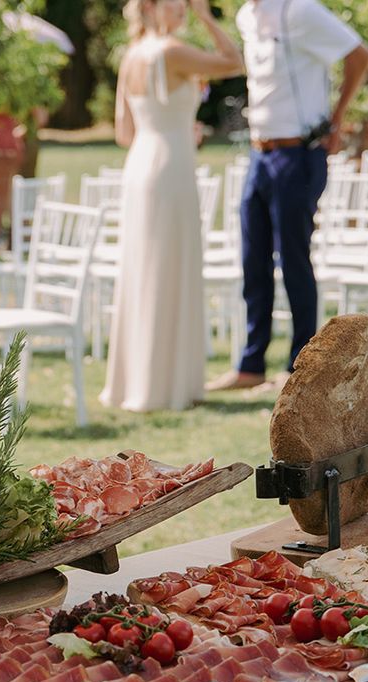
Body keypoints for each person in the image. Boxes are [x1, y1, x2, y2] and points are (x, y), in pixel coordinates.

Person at [205, 0, 368, 394]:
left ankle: (300, 366)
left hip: (298, 153)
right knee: (252, 257)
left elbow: (360, 55)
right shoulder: (247, 16)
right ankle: (251, 365)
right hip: (259, 153)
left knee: (294, 258)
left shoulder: (301, 11)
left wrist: (337, 119)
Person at [100, 0, 244, 413]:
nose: (183, 6)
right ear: (150, 6)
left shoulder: (131, 55)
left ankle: (139, 384)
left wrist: (174, 127)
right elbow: (234, 62)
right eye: (177, 2)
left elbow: (124, 132)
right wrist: (206, 17)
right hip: (170, 169)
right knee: (169, 269)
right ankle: (165, 386)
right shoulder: (171, 51)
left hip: (140, 165)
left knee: (145, 271)